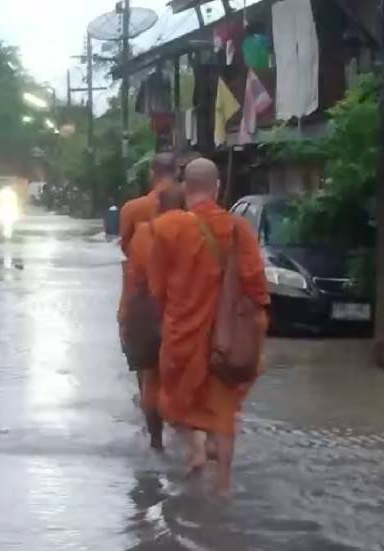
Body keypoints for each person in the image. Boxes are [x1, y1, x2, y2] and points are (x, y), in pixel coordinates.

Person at [148, 158, 270, 494]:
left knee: (179, 402)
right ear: (218, 189)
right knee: (223, 412)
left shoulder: (168, 228)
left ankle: (197, 449)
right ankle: (223, 487)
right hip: (226, 342)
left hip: (183, 335)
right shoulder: (237, 229)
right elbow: (257, 288)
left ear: (185, 188)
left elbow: (157, 289)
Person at [117, 152, 179, 449]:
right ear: (176, 171)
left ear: (153, 172)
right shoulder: (187, 209)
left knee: (147, 373)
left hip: (141, 299)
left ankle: (155, 440)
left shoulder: (133, 209)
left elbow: (126, 249)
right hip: (180, 299)